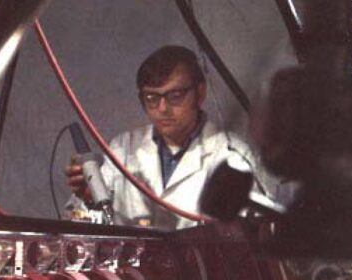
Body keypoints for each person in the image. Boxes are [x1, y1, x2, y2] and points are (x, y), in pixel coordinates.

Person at [65, 45, 260, 230]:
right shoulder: (123, 148)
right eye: (152, 98)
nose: (163, 109)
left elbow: (245, 237)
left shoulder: (232, 155)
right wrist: (88, 198)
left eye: (175, 96)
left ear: (200, 93)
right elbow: (84, 228)